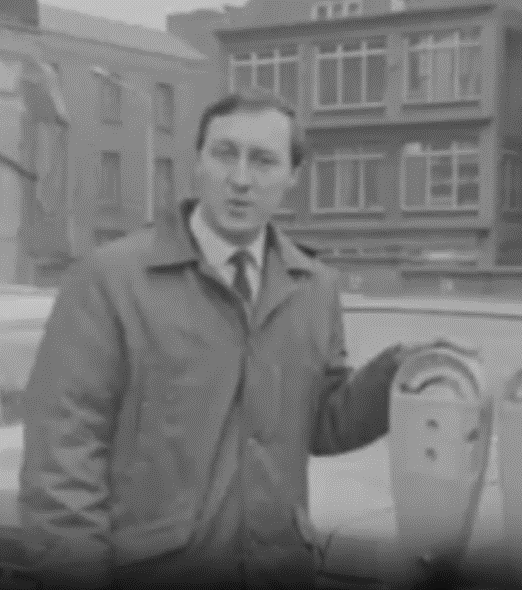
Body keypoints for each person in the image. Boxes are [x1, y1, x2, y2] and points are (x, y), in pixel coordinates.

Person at [18, 87, 415, 590]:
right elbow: (63, 459)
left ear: (292, 178)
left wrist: (400, 374)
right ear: (198, 163)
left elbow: (319, 423)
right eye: (225, 154)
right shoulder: (109, 280)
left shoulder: (314, 287)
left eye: (264, 161)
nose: (241, 179)